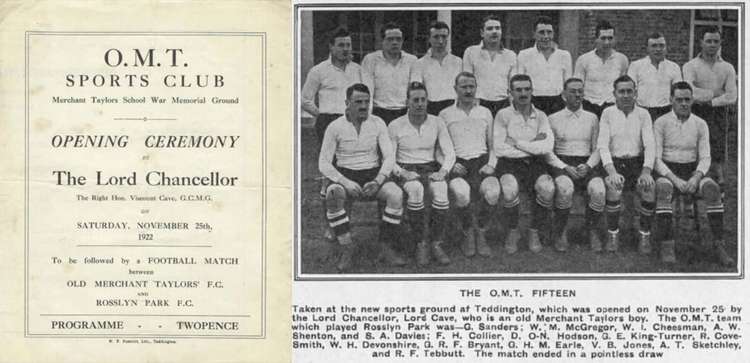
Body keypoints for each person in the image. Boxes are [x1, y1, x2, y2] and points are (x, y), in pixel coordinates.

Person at [319, 84, 405, 272]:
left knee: (396, 195)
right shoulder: (335, 127)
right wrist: (345, 182)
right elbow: (323, 163)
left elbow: (389, 156)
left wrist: (378, 180)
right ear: (347, 103)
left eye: (367, 102)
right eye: (358, 102)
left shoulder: (378, 123)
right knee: (333, 195)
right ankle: (346, 247)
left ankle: (385, 245)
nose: (364, 106)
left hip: (372, 174)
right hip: (346, 174)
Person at [653, 81, 733, 266]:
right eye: (679, 99)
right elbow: (656, 159)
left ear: (692, 100)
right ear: (671, 99)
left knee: (712, 189)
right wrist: (675, 179)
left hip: (692, 170)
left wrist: (696, 177)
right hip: (668, 171)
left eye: (687, 99)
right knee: (664, 189)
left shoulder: (700, 123)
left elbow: (706, 157)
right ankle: (667, 245)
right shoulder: (661, 122)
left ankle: (718, 245)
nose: (683, 103)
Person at [389, 82, 456, 266]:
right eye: (415, 100)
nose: (419, 104)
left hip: (430, 167)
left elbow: (449, 152)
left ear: (428, 101)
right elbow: (388, 158)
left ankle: (436, 243)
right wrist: (402, 172)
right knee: (416, 190)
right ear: (407, 102)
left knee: (441, 190)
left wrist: (443, 171)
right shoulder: (395, 125)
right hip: (405, 168)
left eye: (423, 100)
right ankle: (421, 243)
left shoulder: (437, 122)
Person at [490, 74, 555, 254]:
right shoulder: (503, 115)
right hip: (509, 164)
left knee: (547, 188)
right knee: (509, 190)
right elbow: (501, 149)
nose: (523, 93)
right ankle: (513, 231)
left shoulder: (541, 116)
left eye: (527, 89)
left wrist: (517, 143)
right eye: (518, 90)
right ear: (510, 93)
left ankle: (534, 231)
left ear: (532, 91)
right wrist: (533, 144)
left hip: (535, 164)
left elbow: (547, 146)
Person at [439, 72, 499, 257]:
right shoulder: (445, 114)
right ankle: (467, 233)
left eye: (471, 86)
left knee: (493, 193)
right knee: (462, 194)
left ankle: (480, 232)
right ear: (455, 89)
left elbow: (494, 144)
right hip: (458, 164)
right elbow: (438, 148)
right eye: (463, 87)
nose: (468, 90)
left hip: (481, 163)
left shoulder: (485, 112)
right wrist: (449, 165)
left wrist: (491, 164)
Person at [597, 75, 655, 253]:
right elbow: (602, 146)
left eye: (629, 91)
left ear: (635, 93)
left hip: (637, 163)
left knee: (649, 188)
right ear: (614, 93)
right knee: (614, 186)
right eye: (621, 91)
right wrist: (612, 172)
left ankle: (644, 235)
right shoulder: (607, 113)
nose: (626, 95)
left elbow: (650, 145)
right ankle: (613, 234)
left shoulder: (643, 114)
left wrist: (646, 171)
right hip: (614, 163)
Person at [547, 78, 606, 252]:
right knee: (564, 188)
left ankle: (591, 229)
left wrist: (588, 165)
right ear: (563, 95)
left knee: (599, 190)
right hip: (563, 164)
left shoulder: (592, 118)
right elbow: (548, 151)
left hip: (586, 164)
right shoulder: (553, 118)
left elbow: (598, 148)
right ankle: (560, 231)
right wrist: (564, 167)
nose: (578, 94)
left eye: (580, 91)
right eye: (573, 91)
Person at [683, 26, 737, 188]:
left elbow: (732, 96)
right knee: (694, 144)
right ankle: (695, 179)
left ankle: (717, 181)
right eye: (708, 41)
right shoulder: (690, 66)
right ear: (701, 43)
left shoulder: (727, 67)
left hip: (718, 112)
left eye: (716, 41)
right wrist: (715, 92)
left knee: (717, 148)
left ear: (720, 43)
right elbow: (689, 91)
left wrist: (710, 101)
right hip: (696, 110)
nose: (712, 45)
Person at [302, 28, 362, 145]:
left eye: (348, 45)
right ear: (331, 47)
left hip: (352, 120)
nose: (345, 49)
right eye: (341, 45)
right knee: (329, 159)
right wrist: (321, 115)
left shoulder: (357, 69)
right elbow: (304, 100)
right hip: (327, 121)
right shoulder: (318, 70)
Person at [362, 22, 417, 124]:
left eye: (398, 39)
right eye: (390, 39)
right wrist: (368, 117)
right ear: (382, 41)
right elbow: (367, 90)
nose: (395, 42)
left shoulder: (412, 61)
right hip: (379, 112)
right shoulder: (371, 60)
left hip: (404, 112)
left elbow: (414, 90)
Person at [462, 15, 517, 117]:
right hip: (478, 103)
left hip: (503, 103)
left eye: (497, 28)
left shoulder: (511, 55)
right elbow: (467, 81)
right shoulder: (471, 52)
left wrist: (512, 107)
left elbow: (513, 85)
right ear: (482, 33)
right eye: (490, 29)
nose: (494, 31)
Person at [516, 15, 572, 115]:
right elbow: (520, 83)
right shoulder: (524, 55)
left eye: (549, 32)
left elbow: (568, 84)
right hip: (533, 102)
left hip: (557, 104)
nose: (546, 36)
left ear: (553, 34)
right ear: (534, 34)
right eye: (541, 32)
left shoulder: (564, 55)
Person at [574, 20, 629, 118]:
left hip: (612, 108)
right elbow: (578, 87)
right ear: (596, 39)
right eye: (603, 38)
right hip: (589, 107)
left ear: (615, 39)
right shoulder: (584, 60)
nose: (607, 42)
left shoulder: (622, 59)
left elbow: (623, 86)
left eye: (610, 38)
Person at [627, 32, 683, 122]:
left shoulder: (674, 67)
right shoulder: (636, 66)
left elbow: (678, 94)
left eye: (661, 46)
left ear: (666, 48)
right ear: (647, 49)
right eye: (654, 46)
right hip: (642, 112)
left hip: (666, 112)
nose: (658, 49)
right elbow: (631, 92)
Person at [411, 21, 462, 116]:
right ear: (429, 39)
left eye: (444, 37)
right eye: (436, 37)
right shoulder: (419, 63)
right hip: (430, 109)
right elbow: (417, 90)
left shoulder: (458, 62)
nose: (440, 41)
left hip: (454, 109)